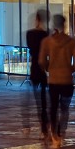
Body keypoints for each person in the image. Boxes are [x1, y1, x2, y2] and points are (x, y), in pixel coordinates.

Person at [39, 13, 75, 149]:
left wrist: (48, 68)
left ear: (53, 25)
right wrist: (70, 69)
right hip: (67, 79)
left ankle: (55, 136)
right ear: (64, 24)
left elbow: (41, 60)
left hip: (54, 79)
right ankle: (62, 131)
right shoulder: (72, 42)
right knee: (65, 108)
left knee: (53, 107)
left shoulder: (47, 42)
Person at [24, 10, 50, 140]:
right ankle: (46, 128)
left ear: (36, 19)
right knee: (46, 102)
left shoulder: (30, 34)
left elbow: (31, 49)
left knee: (38, 102)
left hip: (35, 69)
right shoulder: (47, 35)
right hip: (44, 69)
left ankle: (43, 129)